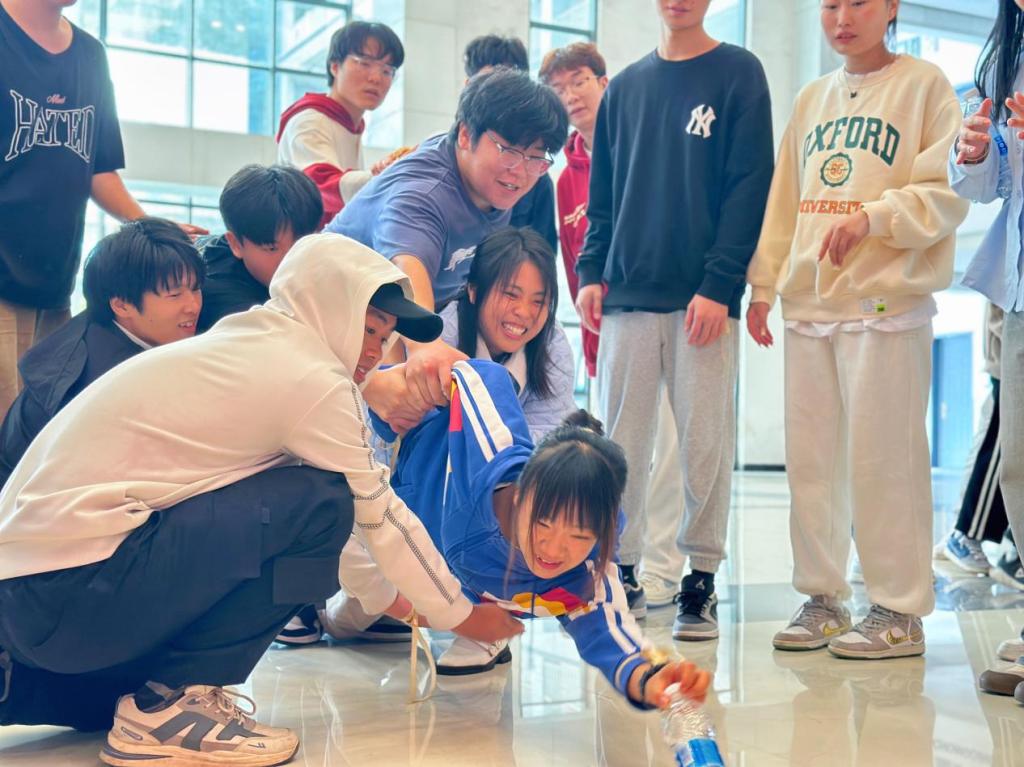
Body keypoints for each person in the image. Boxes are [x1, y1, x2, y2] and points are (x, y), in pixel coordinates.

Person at [0, 234, 522, 766]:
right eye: (367, 328)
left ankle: (131, 698)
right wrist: (460, 616)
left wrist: (403, 605)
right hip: (69, 592)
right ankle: (173, 706)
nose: (374, 351)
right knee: (322, 501)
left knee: (316, 501)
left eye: (386, 337)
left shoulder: (250, 343)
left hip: (36, 598)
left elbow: (346, 534)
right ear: (325, 307)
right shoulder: (312, 378)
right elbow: (374, 514)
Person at [748, 0, 969, 659]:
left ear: (893, 7)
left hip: (886, 303)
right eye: (830, 4)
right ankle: (823, 598)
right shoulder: (811, 98)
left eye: (859, 2)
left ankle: (898, 609)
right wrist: (765, 284)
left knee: (885, 460)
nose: (842, 16)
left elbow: (947, 190)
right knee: (811, 466)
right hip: (810, 304)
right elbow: (785, 201)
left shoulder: (924, 85)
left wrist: (874, 216)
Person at [334, 358, 711, 710]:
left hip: (428, 580)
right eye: (543, 523)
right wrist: (392, 389)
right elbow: (481, 376)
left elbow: (612, 637)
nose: (554, 549)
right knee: (342, 618)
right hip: (393, 470)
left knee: (360, 608)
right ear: (521, 494)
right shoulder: (493, 458)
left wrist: (650, 679)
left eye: (579, 536)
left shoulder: (585, 573)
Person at [575, 0, 774, 636]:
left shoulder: (739, 72)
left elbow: (750, 183)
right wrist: (589, 270)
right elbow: (602, 194)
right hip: (628, 296)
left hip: (703, 301)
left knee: (704, 444)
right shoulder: (626, 88)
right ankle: (621, 568)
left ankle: (701, 577)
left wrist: (721, 283)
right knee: (621, 446)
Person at [327, 68, 567, 432]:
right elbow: (407, 269)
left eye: (536, 157)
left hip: (379, 323)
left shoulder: (489, 183)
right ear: (466, 135)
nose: (520, 172)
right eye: (509, 151)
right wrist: (425, 345)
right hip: (329, 326)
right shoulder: (424, 194)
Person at [0, 0, 204, 420]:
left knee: (45, 426)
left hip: (55, 281)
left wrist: (146, 224)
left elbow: (97, 167)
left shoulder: (90, 55)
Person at [540, 41, 686, 611]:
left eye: (579, 81)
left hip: (664, 319)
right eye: (559, 89)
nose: (571, 96)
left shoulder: (645, 146)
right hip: (607, 337)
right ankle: (623, 564)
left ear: (605, 82)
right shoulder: (564, 181)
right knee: (622, 454)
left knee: (669, 451)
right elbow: (576, 263)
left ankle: (666, 570)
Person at [0, 218, 204, 487]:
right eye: (175, 295)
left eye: (196, 289)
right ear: (122, 305)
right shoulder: (105, 379)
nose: (193, 306)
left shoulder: (103, 321)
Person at [947, 0, 1024, 699]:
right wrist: (974, 154)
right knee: (1019, 461)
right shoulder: (1007, 55)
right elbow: (991, 184)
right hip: (1018, 286)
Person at [441, 226, 575, 442]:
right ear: (473, 291)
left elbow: (552, 433)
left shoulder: (552, 341)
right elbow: (430, 435)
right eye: (511, 295)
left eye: (538, 301)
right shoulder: (445, 337)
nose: (524, 312)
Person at [277, 20, 405, 228]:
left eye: (387, 70)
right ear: (335, 66)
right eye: (364, 63)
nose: (376, 78)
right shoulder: (310, 120)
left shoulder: (350, 124)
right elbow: (318, 186)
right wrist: (385, 178)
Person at [934, 304, 1015, 580]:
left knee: (997, 439)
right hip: (1010, 353)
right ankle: (965, 534)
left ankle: (964, 533)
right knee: (1000, 443)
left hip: (1010, 348)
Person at [196, 164, 322, 332]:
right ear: (235, 244)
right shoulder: (227, 303)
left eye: (300, 243)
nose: (290, 260)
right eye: (272, 248)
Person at [463, 34, 558, 252]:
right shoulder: (439, 167)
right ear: (468, 87)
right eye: (489, 85)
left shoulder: (535, 177)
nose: (500, 99)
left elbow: (542, 256)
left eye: (509, 87)